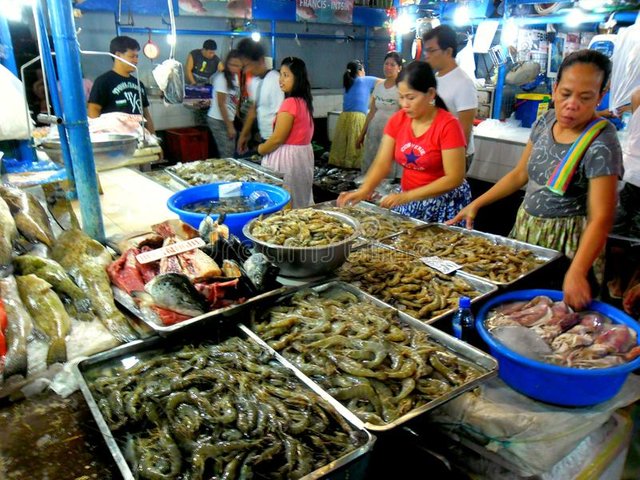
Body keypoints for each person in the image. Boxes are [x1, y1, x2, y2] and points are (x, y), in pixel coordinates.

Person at [449, 50, 622, 310]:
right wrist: (477, 203)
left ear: (600, 95)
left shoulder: (602, 141)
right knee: (518, 311)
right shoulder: (545, 121)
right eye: (565, 93)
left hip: (569, 245)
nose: (572, 104)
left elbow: (602, 216)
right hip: (527, 230)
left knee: (557, 321)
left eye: (585, 97)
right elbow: (520, 174)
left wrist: (576, 271)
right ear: (554, 89)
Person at [337, 61, 470, 224]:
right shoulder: (398, 120)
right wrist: (364, 190)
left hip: (443, 203)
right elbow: (382, 163)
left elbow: (454, 178)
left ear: (431, 93)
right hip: (409, 197)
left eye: (411, 97)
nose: (404, 104)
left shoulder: (448, 125)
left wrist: (407, 196)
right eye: (400, 97)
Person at [257, 57, 315, 208]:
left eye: (286, 75)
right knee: (299, 200)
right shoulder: (304, 101)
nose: (281, 80)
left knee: (284, 202)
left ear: (298, 78)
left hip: (288, 159)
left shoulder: (290, 103)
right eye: (281, 74)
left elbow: (277, 139)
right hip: (302, 158)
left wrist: (261, 149)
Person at [423, 25, 477, 168]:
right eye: (426, 50)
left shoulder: (463, 83)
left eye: (431, 50)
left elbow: (464, 130)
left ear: (448, 51)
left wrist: (453, 160)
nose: (426, 55)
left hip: (452, 153)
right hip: (435, 150)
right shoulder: (436, 78)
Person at [88, 36, 155, 133]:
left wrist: (153, 137)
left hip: (139, 138)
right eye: (132, 56)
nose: (136, 61)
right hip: (115, 140)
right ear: (118, 56)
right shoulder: (103, 82)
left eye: (137, 56)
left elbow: (146, 114)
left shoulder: (138, 84)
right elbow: (93, 110)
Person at [357, 51, 403, 178]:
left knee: (387, 165)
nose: (388, 67)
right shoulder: (379, 86)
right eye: (386, 64)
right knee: (371, 162)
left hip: (391, 134)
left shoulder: (402, 88)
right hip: (374, 130)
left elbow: (402, 116)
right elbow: (372, 112)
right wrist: (362, 134)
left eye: (392, 65)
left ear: (399, 68)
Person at [328, 60, 379, 169]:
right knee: (356, 146)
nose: (365, 72)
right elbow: (385, 82)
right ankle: (354, 168)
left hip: (344, 117)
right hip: (357, 118)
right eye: (363, 69)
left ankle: (342, 168)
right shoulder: (364, 80)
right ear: (360, 70)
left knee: (343, 147)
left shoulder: (348, 83)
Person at [236, 38, 284, 154]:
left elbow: (281, 115)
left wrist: (267, 146)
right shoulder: (252, 82)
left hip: (276, 140)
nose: (246, 70)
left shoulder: (275, 80)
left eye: (248, 65)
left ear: (260, 60)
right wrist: (243, 135)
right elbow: (253, 110)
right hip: (263, 138)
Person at [206, 50, 243, 158]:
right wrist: (230, 126)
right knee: (228, 152)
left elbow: (234, 99)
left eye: (237, 65)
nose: (234, 68)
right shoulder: (221, 79)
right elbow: (221, 104)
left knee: (230, 150)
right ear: (226, 64)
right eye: (231, 64)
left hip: (228, 119)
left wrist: (237, 116)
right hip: (218, 120)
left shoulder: (235, 77)